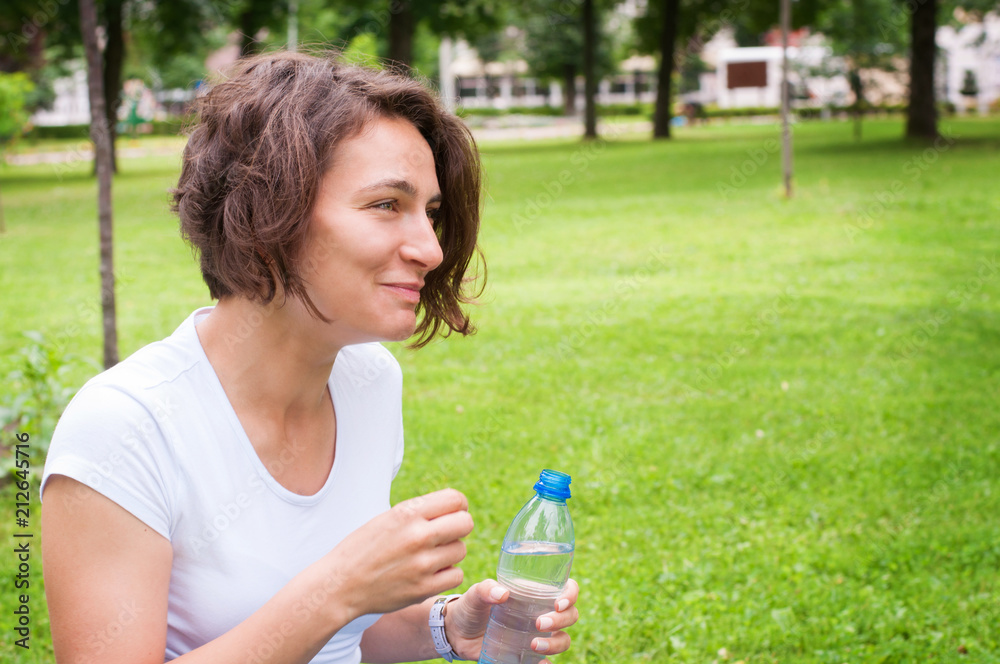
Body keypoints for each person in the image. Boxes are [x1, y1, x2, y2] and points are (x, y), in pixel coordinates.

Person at [40, 51, 579, 664]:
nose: (431, 248)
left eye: (430, 213)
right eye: (385, 205)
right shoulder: (126, 426)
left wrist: (450, 626)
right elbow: (325, 608)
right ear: (267, 213)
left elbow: (338, 637)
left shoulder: (368, 379)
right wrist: (336, 589)